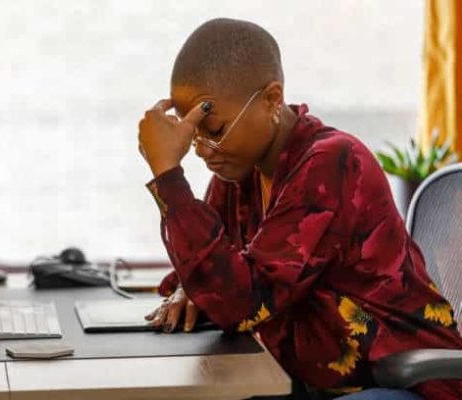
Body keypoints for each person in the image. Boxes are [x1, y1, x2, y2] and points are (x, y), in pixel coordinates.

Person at [137, 18, 462, 399]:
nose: (204, 151)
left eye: (216, 131)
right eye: (193, 137)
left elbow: (241, 302)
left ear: (271, 99)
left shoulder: (331, 164)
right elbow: (214, 272)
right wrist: (187, 291)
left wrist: (168, 176)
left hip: (401, 384)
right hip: (318, 384)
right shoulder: (238, 175)